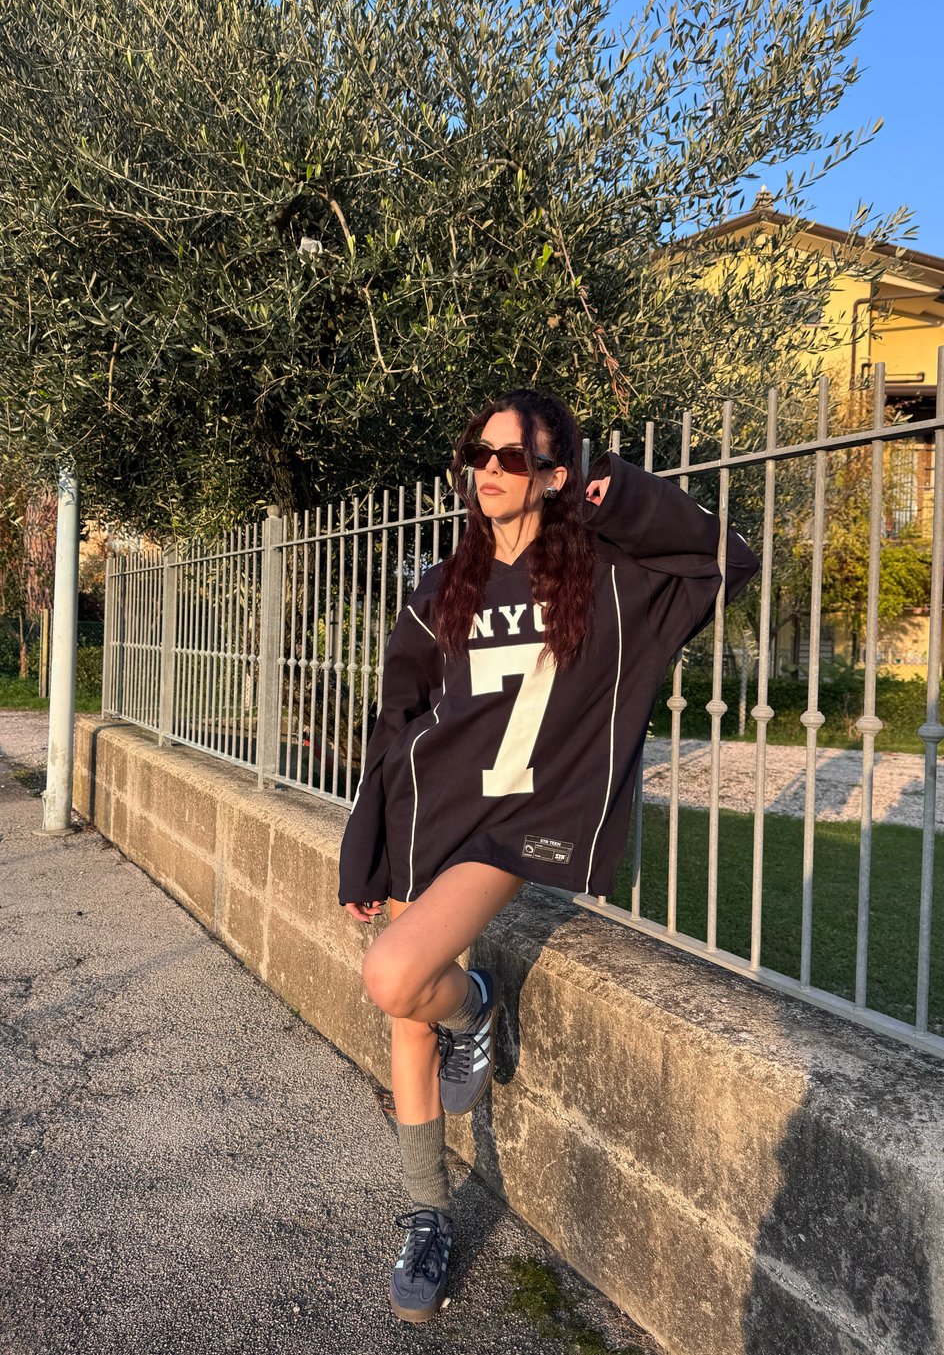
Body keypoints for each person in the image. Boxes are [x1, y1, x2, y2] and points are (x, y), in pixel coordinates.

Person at [339, 387, 759, 1323]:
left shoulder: (610, 578)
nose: (488, 472)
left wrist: (623, 491)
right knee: (407, 1013)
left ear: (558, 475)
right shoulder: (438, 587)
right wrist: (368, 848)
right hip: (428, 817)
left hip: (511, 824)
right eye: (477, 456)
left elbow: (726, 559)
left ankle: (476, 1000)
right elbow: (396, 723)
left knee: (397, 976)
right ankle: (427, 1212)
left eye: (512, 458)